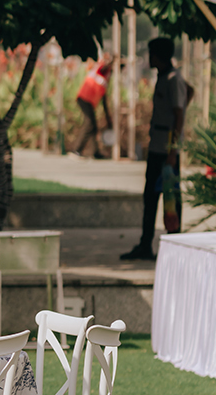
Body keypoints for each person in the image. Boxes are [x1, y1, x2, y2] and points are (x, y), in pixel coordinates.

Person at [122, 38, 190, 262]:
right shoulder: (163, 77)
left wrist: (173, 150)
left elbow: (179, 115)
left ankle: (175, 245)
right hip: (156, 146)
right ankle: (145, 244)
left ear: (158, 56)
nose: (149, 58)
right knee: (150, 197)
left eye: (151, 54)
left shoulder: (173, 79)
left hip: (167, 150)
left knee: (171, 199)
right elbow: (189, 92)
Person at [73, 54, 114, 158]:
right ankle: (77, 149)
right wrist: (113, 61)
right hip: (84, 98)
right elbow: (104, 67)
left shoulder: (105, 78)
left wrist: (108, 118)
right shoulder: (101, 69)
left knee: (93, 126)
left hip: (90, 101)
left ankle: (95, 152)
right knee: (89, 123)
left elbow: (104, 100)